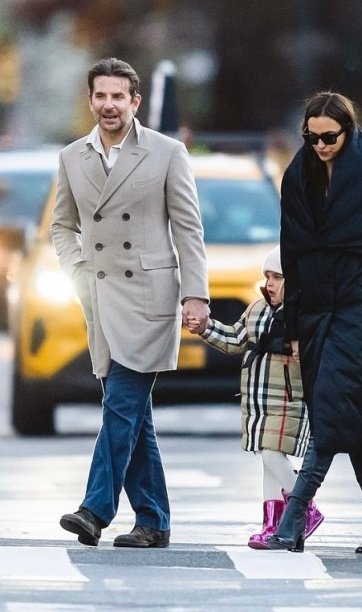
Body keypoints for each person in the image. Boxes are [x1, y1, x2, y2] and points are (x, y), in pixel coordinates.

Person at [52, 57, 209, 548]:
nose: (109, 104)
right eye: (101, 95)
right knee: (134, 416)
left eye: (118, 96)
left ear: (135, 101)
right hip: (99, 299)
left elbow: (188, 228)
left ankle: (95, 509)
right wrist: (78, 274)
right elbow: (62, 226)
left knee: (121, 404)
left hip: (148, 299)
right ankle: (154, 520)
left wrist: (196, 294)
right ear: (90, 99)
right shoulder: (72, 157)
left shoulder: (165, 152)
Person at [264, 91, 362, 554]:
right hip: (317, 312)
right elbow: (294, 257)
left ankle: (292, 520)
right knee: (355, 419)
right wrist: (294, 328)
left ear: (349, 131)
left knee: (329, 411)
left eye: (329, 137)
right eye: (311, 136)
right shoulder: (298, 177)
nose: (320, 145)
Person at [187, 245, 323, 549]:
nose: (270, 283)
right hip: (257, 402)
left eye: (278, 277)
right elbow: (236, 339)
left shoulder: (303, 315)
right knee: (268, 462)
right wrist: (206, 328)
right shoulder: (256, 310)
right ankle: (273, 523)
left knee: (272, 455)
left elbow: (316, 353)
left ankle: (305, 508)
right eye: (268, 276)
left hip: (288, 399)